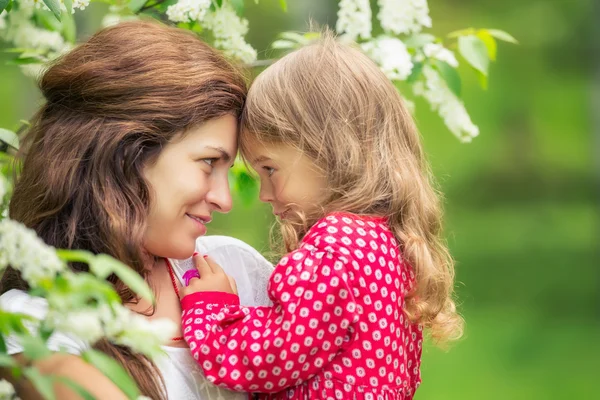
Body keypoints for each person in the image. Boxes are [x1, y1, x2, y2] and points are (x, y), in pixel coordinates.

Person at [179, 34, 464, 399]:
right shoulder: (385, 245)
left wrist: (213, 312)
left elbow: (268, 360)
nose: (264, 194)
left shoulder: (333, 250)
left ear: (327, 152)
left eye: (270, 169)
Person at [0, 21, 273, 400]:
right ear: (127, 154)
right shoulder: (35, 323)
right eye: (209, 162)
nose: (224, 199)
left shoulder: (236, 270)